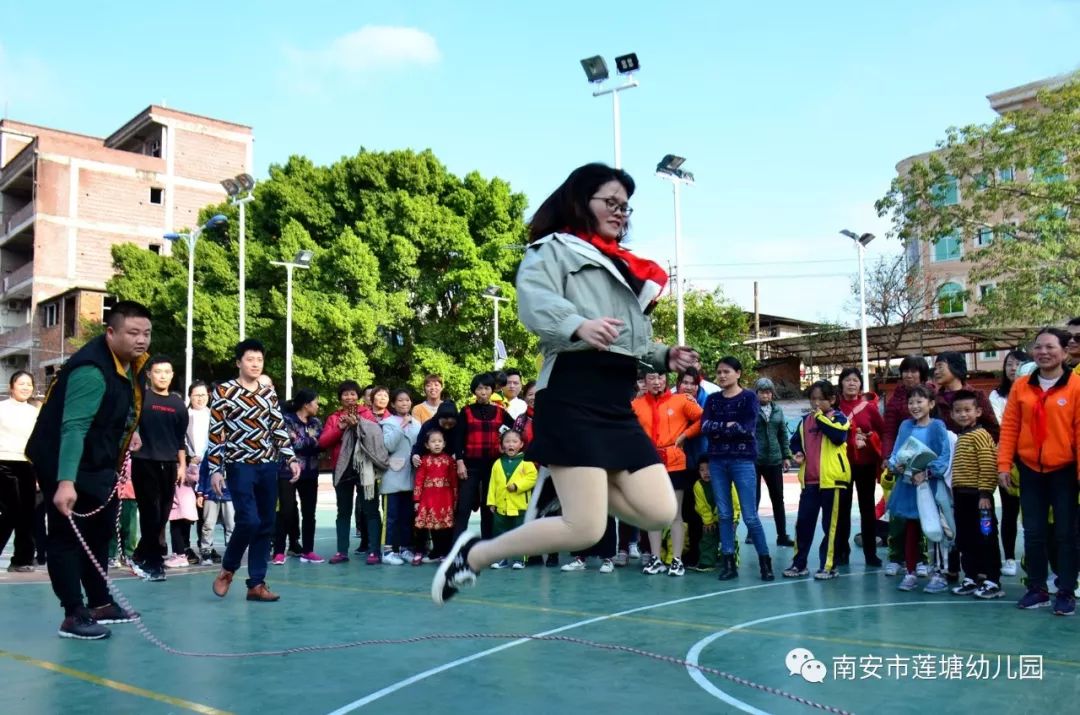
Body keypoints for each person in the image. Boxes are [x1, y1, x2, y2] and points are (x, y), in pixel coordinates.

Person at [432, 163, 694, 605]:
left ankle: (566, 490)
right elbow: (534, 303)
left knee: (661, 509)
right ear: (580, 201)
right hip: (571, 393)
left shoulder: (624, 266)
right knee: (586, 529)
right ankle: (475, 555)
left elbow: (633, 340)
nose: (620, 213)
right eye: (610, 202)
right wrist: (577, 326)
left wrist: (664, 356)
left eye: (625, 207)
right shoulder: (552, 249)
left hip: (615, 400)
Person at [25, 300, 151, 639]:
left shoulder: (128, 365)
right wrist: (65, 483)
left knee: (99, 532)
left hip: (97, 461)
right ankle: (72, 613)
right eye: (133, 332)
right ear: (111, 333)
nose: (141, 340)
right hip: (64, 460)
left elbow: (115, 409)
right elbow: (74, 427)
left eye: (146, 333)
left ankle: (100, 603)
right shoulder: (91, 371)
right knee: (67, 537)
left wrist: (130, 432)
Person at [208, 339, 299, 603]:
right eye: (250, 359)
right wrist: (216, 469)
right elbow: (216, 433)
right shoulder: (224, 391)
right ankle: (228, 569)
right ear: (239, 362)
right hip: (239, 464)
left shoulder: (268, 392)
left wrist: (290, 458)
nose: (255, 364)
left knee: (266, 524)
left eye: (259, 360)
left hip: (268, 464)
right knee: (249, 520)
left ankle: (256, 584)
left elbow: (278, 428)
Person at [998, 327, 1080, 615]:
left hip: (1065, 471)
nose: (1043, 352)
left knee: (1065, 534)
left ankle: (1066, 592)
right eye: (1038, 347)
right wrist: (1004, 464)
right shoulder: (1022, 386)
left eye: (1050, 347)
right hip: (1030, 470)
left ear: (1064, 352)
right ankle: (1037, 589)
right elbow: (1010, 427)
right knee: (1033, 532)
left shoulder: (1076, 386)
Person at [703, 356, 773, 581]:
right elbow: (705, 426)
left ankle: (765, 563)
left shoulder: (749, 398)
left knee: (750, 516)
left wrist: (720, 428)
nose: (722, 375)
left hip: (742, 461)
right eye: (719, 372)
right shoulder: (713, 400)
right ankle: (728, 563)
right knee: (723, 514)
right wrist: (728, 426)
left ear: (738, 373)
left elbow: (747, 428)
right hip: (717, 461)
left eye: (727, 371)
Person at [632, 370, 702, 577]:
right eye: (651, 378)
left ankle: (677, 560)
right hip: (649, 464)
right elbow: (623, 428)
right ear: (644, 382)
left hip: (674, 462)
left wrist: (685, 435)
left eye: (660, 377)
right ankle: (655, 558)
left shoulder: (681, 401)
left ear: (666, 381)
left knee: (675, 513)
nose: (656, 382)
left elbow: (703, 418)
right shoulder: (636, 405)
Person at [885, 385, 952, 594]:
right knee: (911, 529)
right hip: (908, 486)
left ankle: (939, 573)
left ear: (931, 404)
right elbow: (897, 451)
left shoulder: (937, 426)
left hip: (930, 486)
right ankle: (911, 572)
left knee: (935, 530)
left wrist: (928, 473)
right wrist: (895, 464)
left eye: (920, 401)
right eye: (911, 402)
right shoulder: (905, 425)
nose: (914, 406)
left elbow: (944, 456)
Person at [782, 381, 851, 580]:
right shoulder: (805, 421)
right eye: (813, 399)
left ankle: (829, 565)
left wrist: (820, 416)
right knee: (803, 523)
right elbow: (795, 441)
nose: (816, 403)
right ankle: (799, 564)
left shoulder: (839, 418)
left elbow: (838, 436)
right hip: (810, 481)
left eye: (821, 399)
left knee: (831, 526)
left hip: (833, 481)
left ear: (832, 399)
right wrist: (797, 452)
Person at [129, 355, 188, 582]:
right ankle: (154, 563)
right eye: (158, 371)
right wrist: (133, 433)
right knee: (150, 514)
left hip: (170, 464)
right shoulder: (140, 398)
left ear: (172, 375)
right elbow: (128, 424)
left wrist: (182, 465)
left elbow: (180, 438)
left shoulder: (177, 404)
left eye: (167, 372)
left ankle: (140, 554)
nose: (162, 376)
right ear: (149, 375)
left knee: (162, 515)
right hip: (144, 462)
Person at [947, 390, 1004, 600]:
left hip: (980, 500)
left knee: (986, 536)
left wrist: (985, 494)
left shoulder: (981, 435)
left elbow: (988, 465)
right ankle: (971, 576)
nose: (963, 414)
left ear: (978, 411)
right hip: (962, 498)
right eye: (958, 411)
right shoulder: (962, 436)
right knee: (966, 538)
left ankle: (992, 580)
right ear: (952, 414)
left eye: (967, 410)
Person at [881, 355, 932, 576]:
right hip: (901, 467)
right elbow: (890, 430)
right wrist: (887, 457)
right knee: (897, 512)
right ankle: (896, 556)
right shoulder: (896, 399)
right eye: (905, 371)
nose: (909, 375)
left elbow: (938, 430)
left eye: (914, 370)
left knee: (925, 513)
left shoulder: (931, 394)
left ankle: (922, 558)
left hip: (925, 468)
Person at [452, 373, 514, 540]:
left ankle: (488, 545)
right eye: (480, 388)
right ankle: (457, 549)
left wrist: (504, 445)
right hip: (470, 466)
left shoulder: (500, 412)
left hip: (493, 467)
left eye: (487, 388)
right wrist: (459, 462)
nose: (483, 392)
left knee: (489, 507)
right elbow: (458, 438)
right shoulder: (465, 411)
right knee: (463, 507)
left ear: (492, 390)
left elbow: (515, 430)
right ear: (474, 391)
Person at [836, 367, 886, 568]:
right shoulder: (835, 407)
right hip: (841, 466)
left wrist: (869, 437)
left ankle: (870, 553)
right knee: (842, 510)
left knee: (867, 510)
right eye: (847, 380)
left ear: (860, 384)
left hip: (865, 465)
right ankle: (842, 551)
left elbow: (882, 432)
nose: (851, 383)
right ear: (841, 383)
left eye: (855, 380)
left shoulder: (869, 408)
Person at [988, 349, 1030, 577]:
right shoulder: (997, 396)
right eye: (1009, 364)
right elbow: (1002, 426)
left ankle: (1033, 558)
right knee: (1010, 511)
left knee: (1034, 513)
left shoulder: (1036, 392)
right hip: (1009, 461)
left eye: (1018, 364)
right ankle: (1010, 558)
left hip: (1033, 461)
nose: (1013, 368)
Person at [272, 389, 324, 565]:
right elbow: (291, 444)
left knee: (309, 512)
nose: (317, 406)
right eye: (315, 402)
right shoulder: (287, 420)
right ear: (306, 404)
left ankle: (308, 550)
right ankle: (279, 551)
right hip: (288, 471)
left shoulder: (316, 422)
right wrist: (311, 441)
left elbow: (321, 444)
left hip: (311, 472)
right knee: (285, 511)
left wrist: (309, 441)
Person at [0, 370, 40, 572]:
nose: (25, 387)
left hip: (27, 465)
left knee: (27, 514)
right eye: (21, 383)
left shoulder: (35, 412)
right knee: (9, 513)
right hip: (3, 464)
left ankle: (22, 560)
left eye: (29, 384)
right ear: (11, 386)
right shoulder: (2, 408)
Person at [192, 381, 231, 565]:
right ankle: (205, 551)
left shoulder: (234, 450)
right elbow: (203, 472)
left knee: (231, 524)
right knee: (207, 524)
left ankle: (231, 552)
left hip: (230, 494)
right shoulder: (212, 450)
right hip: (210, 493)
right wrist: (200, 492)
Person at [487, 430, 537, 570]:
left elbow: (532, 477)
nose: (511, 444)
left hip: (520, 505)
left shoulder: (526, 461)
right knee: (500, 532)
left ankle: (520, 559)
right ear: (502, 445)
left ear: (521, 444)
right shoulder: (497, 463)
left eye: (514, 441)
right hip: (501, 506)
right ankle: (501, 558)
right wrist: (491, 502)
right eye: (507, 441)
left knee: (519, 532)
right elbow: (493, 484)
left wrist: (517, 486)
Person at [752, 377, 794, 548]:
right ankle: (751, 533)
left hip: (774, 460)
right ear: (756, 393)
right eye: (762, 391)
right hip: (754, 460)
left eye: (768, 392)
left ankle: (782, 535)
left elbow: (783, 434)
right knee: (753, 498)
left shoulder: (777, 411)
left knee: (778, 498)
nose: (766, 395)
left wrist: (786, 456)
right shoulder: (750, 410)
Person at [381, 388, 420, 565]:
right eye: (400, 400)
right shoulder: (387, 423)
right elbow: (388, 445)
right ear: (393, 404)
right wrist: (401, 426)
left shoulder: (417, 423)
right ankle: (388, 550)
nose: (404, 403)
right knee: (392, 516)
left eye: (407, 400)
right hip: (393, 476)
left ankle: (405, 548)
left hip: (411, 476)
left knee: (407, 516)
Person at [414, 430, 458, 562]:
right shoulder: (424, 461)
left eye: (439, 441)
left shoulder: (449, 460)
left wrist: (455, 499)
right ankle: (433, 553)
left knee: (445, 527)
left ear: (444, 444)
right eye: (433, 442)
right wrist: (416, 500)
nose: (437, 444)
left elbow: (454, 481)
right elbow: (419, 480)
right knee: (430, 526)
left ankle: (444, 553)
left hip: (445, 499)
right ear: (427, 445)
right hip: (428, 499)